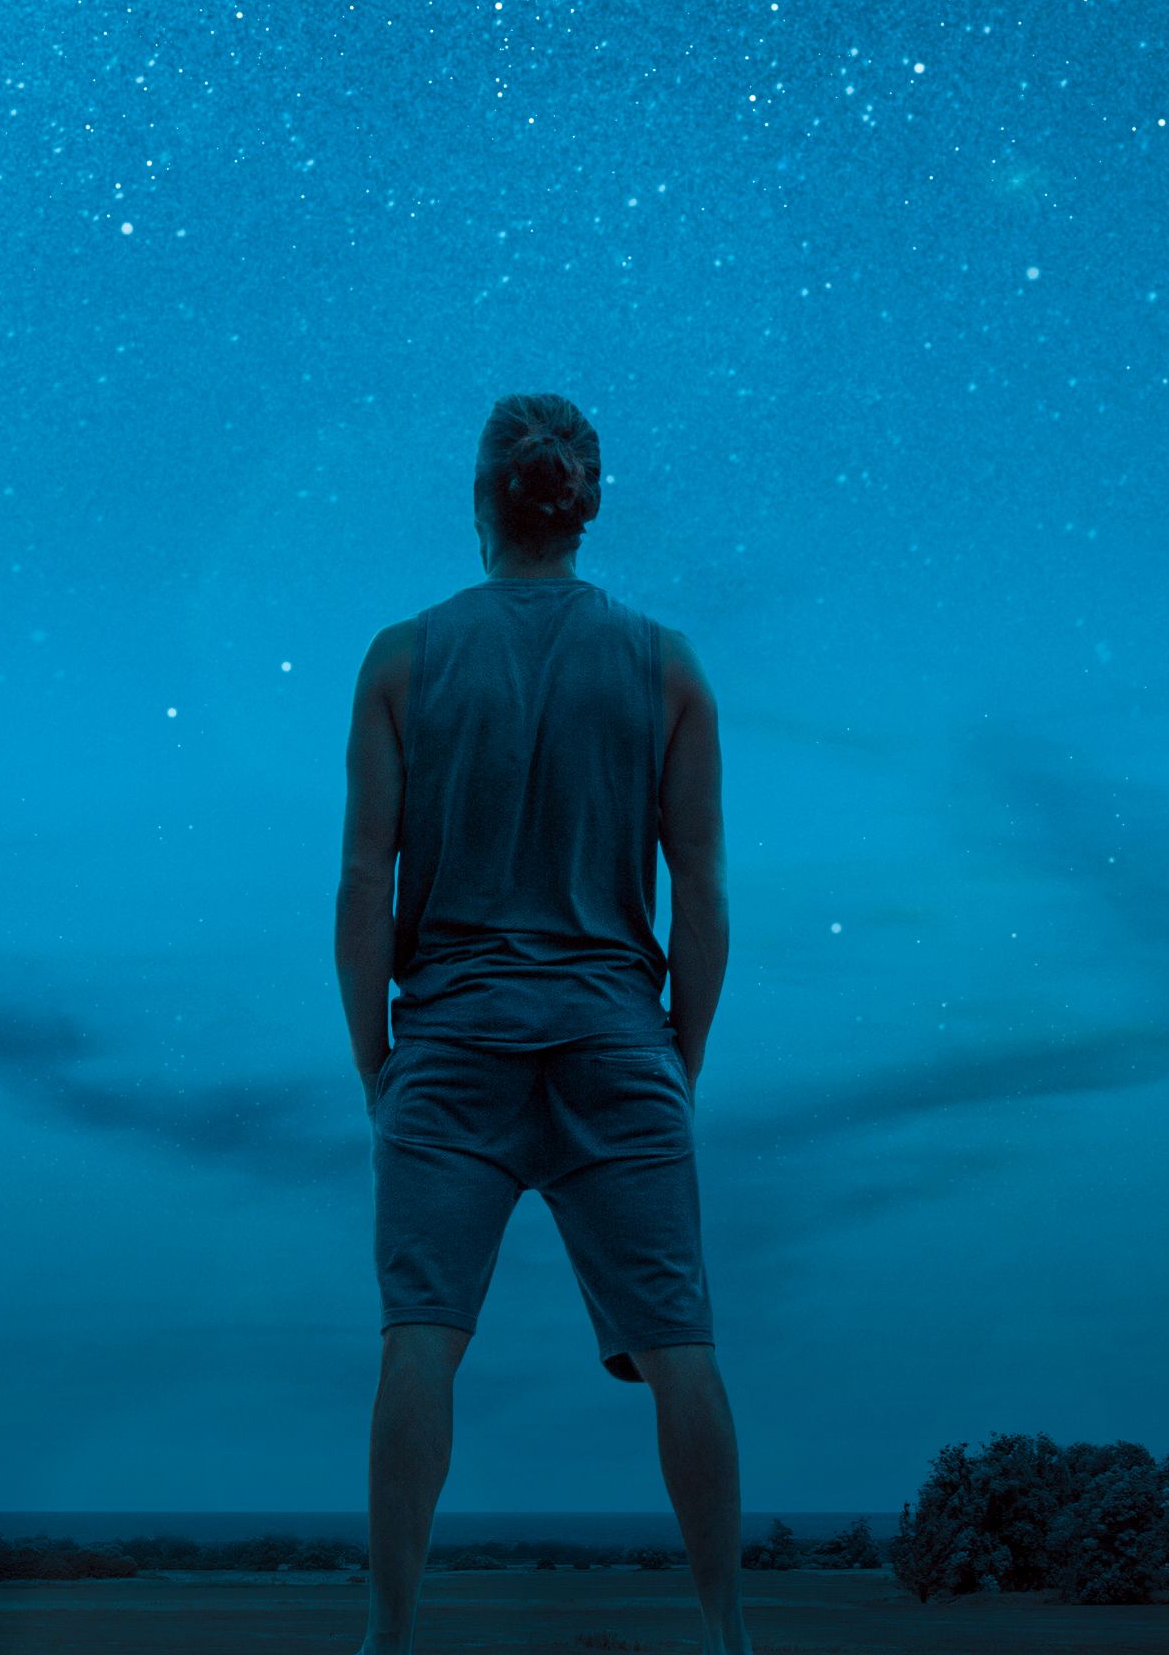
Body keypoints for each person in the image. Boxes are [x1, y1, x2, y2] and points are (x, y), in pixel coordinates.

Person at [334, 392, 744, 1653]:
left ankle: (388, 1639)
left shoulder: (403, 658)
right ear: (588, 502)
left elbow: (363, 885)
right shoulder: (668, 664)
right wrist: (676, 1064)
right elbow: (705, 897)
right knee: (681, 1347)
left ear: (479, 500)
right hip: (619, 1034)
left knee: (419, 1341)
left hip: (451, 1040)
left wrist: (377, 1069)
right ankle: (728, 1637)